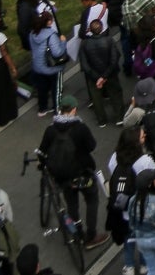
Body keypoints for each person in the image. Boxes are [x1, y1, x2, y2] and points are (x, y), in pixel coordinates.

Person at [37, 95, 111, 252]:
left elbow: (41, 151)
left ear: (60, 110)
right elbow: (92, 146)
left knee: (72, 204)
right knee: (92, 201)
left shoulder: (51, 130)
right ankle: (91, 236)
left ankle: (77, 233)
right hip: (84, 173)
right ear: (74, 109)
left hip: (63, 177)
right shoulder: (81, 128)